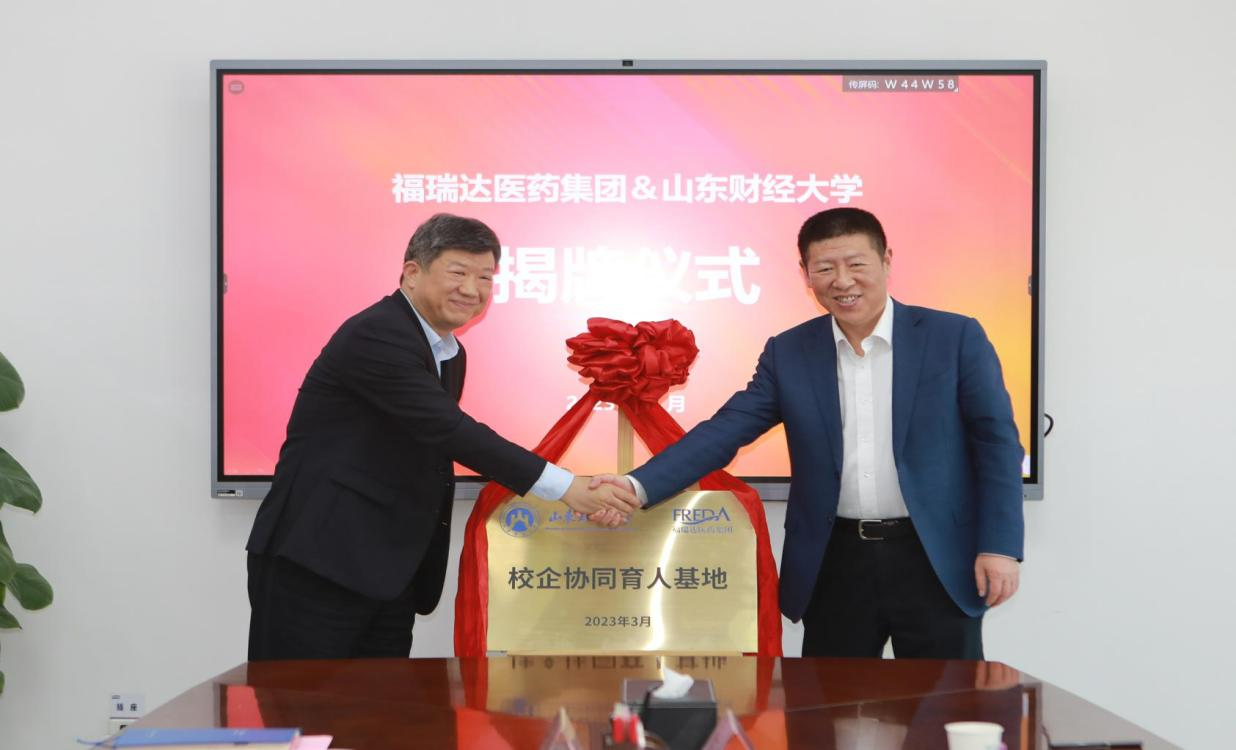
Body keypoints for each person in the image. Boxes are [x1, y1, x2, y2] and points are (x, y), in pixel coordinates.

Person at [592, 207, 1023, 659]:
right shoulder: (790, 351)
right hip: (835, 562)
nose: (843, 280)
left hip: (936, 556)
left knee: (946, 699)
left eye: (856, 264)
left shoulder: (953, 337)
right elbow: (725, 430)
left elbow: (996, 446)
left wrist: (999, 546)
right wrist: (635, 486)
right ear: (806, 274)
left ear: (886, 261)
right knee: (829, 702)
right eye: (825, 268)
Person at [246, 213, 639, 660]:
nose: (472, 290)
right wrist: (566, 487)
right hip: (319, 561)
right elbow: (450, 431)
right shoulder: (377, 334)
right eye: (458, 272)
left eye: (485, 277)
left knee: (384, 703)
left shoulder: (448, 352)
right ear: (412, 272)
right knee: (300, 702)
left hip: (387, 570)